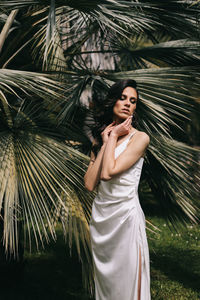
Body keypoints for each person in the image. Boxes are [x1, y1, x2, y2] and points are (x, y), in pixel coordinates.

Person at [84, 79, 151, 300]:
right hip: (102, 219)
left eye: (133, 101)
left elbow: (107, 173)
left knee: (127, 280)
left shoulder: (140, 138)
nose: (127, 104)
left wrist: (112, 137)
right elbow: (90, 184)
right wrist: (105, 141)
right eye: (122, 98)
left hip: (126, 218)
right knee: (107, 284)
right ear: (113, 101)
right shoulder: (100, 141)